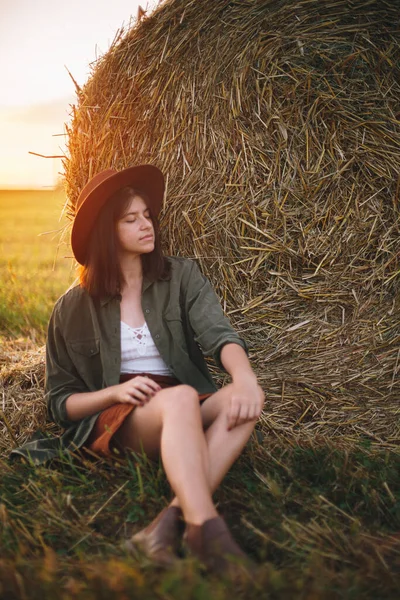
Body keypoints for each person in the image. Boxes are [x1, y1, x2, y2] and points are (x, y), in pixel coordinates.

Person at [11, 165, 265, 578]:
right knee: (181, 397)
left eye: (147, 215)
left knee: (242, 402)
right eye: (130, 219)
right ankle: (207, 531)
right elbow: (61, 404)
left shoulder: (180, 277)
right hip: (120, 416)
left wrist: (246, 378)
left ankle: (166, 526)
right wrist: (111, 396)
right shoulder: (72, 308)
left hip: (182, 408)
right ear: (105, 233)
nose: (146, 224)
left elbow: (220, 335)